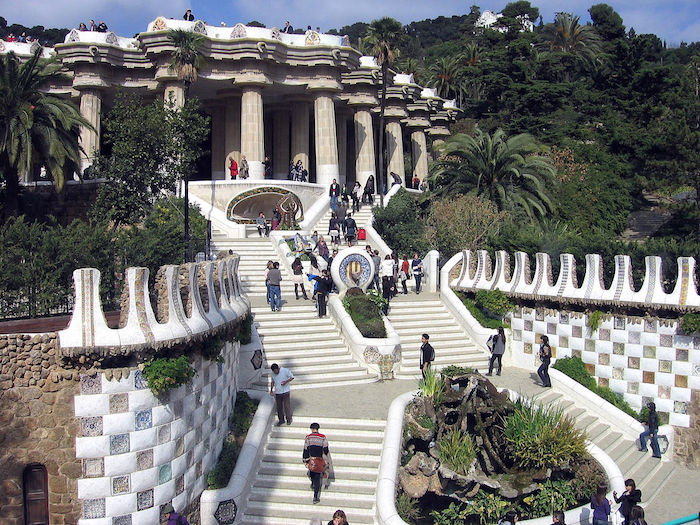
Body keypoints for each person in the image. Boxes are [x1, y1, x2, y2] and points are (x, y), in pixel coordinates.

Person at [303, 422, 329, 504]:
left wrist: (305, 460)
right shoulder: (323, 437)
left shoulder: (308, 438)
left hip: (312, 460)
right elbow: (326, 449)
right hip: (319, 460)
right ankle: (315, 497)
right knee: (318, 477)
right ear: (318, 429)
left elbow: (305, 449)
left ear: (311, 428)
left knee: (312, 474)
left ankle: (313, 483)